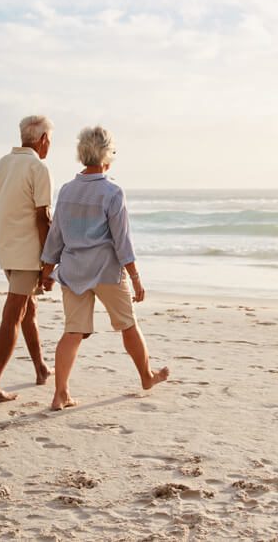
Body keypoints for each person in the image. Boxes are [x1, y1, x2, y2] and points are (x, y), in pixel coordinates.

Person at [40, 125, 169, 411]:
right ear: (107, 154)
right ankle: (146, 377)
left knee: (72, 332)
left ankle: (60, 393)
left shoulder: (67, 190)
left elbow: (56, 234)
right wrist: (136, 278)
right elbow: (122, 241)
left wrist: (47, 270)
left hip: (73, 271)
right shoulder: (112, 191)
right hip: (106, 271)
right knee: (128, 325)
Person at [0, 115, 55, 404]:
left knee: (28, 308)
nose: (49, 145)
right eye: (50, 140)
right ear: (42, 139)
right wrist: (48, 262)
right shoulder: (38, 167)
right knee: (14, 315)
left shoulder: (1, 164)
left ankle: (41, 368)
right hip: (28, 255)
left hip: (5, 251)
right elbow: (43, 218)